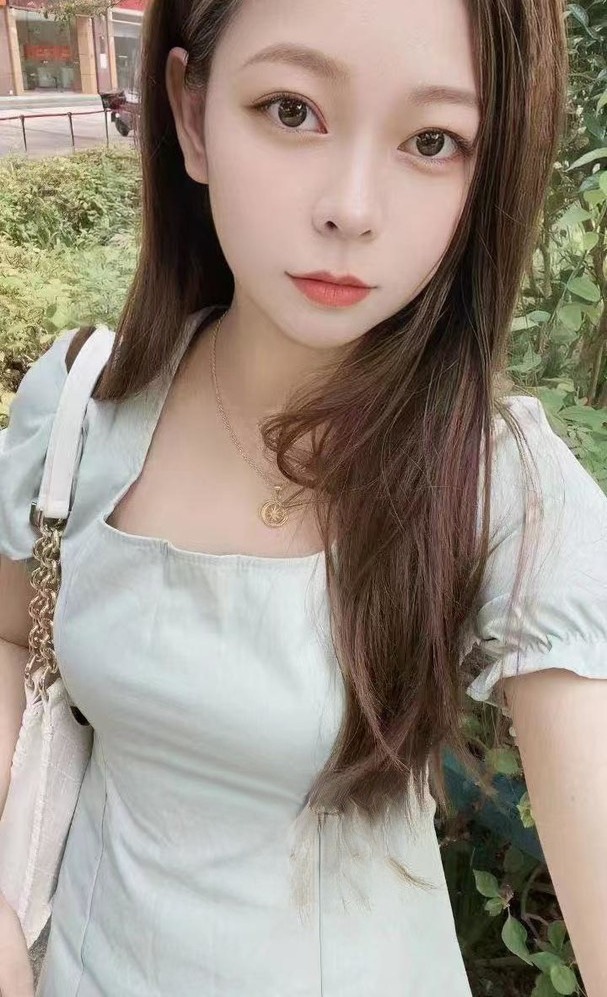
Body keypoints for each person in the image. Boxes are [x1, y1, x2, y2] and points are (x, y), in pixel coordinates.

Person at [1, 0, 606, 993]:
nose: (351, 208)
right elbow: (13, 637)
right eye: (291, 110)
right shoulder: (77, 411)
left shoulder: (502, 488)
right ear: (191, 115)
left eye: (431, 140)